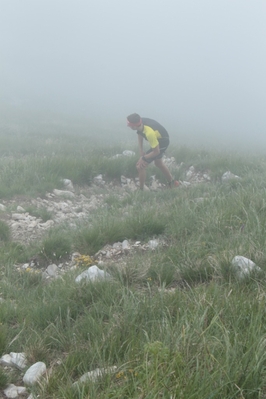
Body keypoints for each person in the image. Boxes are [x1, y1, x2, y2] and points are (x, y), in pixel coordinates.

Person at [126, 113, 179, 190]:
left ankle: (141, 190)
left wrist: (143, 158)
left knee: (140, 166)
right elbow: (140, 133)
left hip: (162, 142)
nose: (128, 126)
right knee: (158, 163)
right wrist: (141, 150)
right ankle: (173, 183)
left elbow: (156, 151)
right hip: (158, 140)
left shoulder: (149, 133)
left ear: (134, 125)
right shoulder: (140, 123)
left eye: (129, 125)